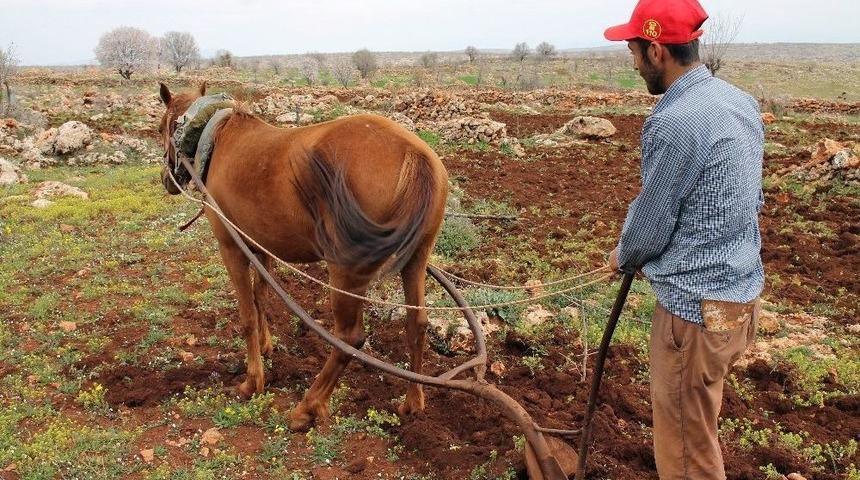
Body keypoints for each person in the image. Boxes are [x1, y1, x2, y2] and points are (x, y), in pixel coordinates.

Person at [602, 0, 765, 478]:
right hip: (736, 302)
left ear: (656, 50)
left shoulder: (673, 123)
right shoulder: (739, 102)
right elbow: (751, 196)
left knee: (685, 451)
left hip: (692, 317)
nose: (632, 63)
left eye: (633, 50)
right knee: (700, 424)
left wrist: (624, 255)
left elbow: (648, 228)